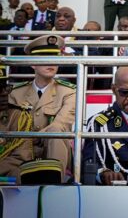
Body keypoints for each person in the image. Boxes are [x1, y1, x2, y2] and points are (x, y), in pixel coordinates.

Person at [0, 35, 76, 183]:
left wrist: (34, 135)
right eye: (45, 58)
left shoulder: (69, 92)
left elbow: (61, 124)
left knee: (56, 131)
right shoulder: (15, 92)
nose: (51, 63)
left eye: (55, 58)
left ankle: (55, 182)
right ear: (33, 63)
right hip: (20, 154)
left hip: (51, 151)